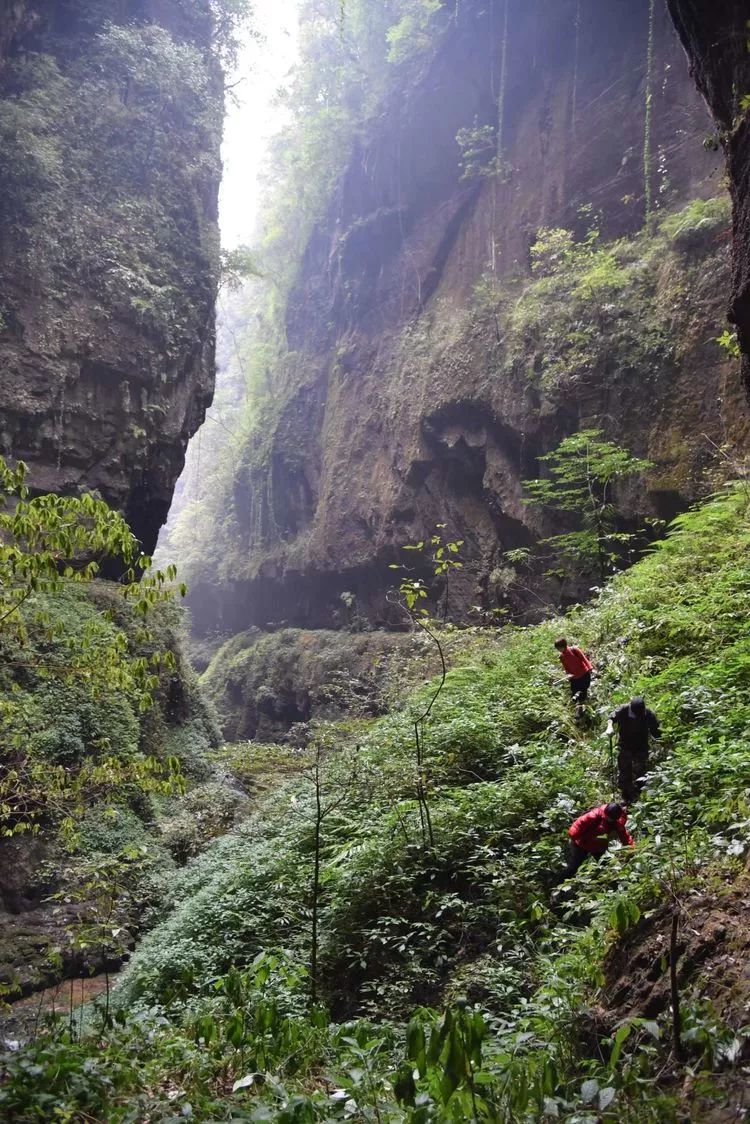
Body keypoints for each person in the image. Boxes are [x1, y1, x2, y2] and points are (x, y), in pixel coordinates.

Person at [605, 696, 660, 804]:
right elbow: (611, 717)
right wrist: (609, 726)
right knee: (625, 769)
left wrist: (664, 740)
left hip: (641, 745)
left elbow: (656, 731)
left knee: (641, 770)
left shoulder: (648, 714)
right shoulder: (623, 710)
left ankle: (640, 794)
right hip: (625, 744)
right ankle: (625, 795)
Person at [562, 802, 634, 879]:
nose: (608, 819)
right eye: (607, 817)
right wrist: (574, 838)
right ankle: (560, 882)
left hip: (599, 847)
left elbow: (624, 836)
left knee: (606, 867)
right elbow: (577, 826)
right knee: (573, 867)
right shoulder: (593, 815)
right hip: (582, 844)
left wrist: (632, 848)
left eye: (611, 819)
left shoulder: (617, 822)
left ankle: (605, 882)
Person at [554, 637, 593, 702]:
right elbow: (566, 667)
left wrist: (590, 668)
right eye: (557, 649)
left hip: (584, 674)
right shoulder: (561, 657)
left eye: (559, 648)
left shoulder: (574, 650)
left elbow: (584, 658)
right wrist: (568, 675)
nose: (559, 650)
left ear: (564, 646)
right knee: (574, 692)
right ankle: (576, 706)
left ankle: (582, 706)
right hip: (574, 677)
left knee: (583, 691)